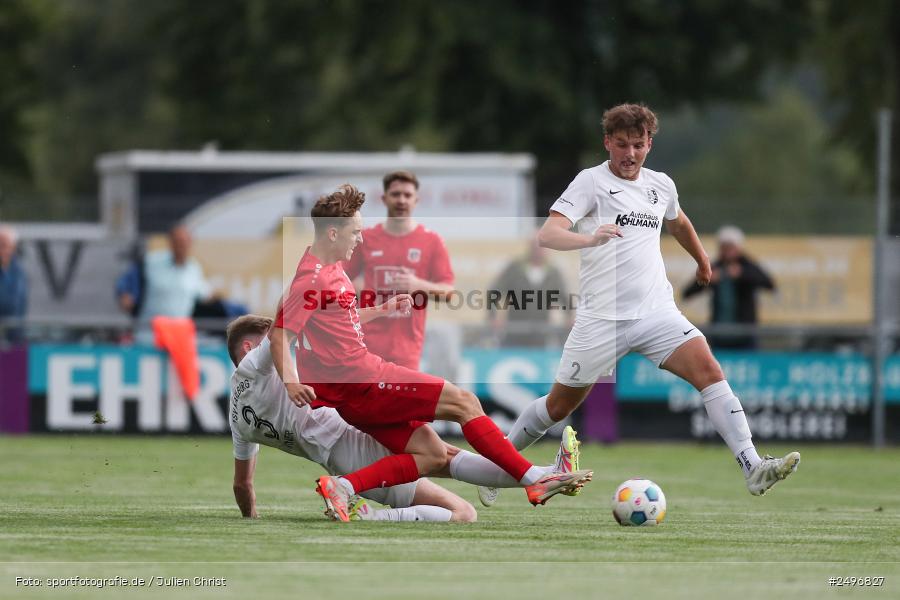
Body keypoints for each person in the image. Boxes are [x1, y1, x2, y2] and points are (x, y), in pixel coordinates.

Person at [493, 104, 799, 505]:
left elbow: (678, 222)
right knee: (557, 406)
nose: (630, 154)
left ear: (650, 144)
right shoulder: (591, 182)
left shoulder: (661, 185)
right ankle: (498, 467)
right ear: (607, 143)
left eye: (638, 145)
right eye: (621, 145)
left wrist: (702, 259)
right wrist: (589, 238)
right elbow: (549, 234)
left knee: (710, 371)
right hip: (601, 320)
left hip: (657, 313)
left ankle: (752, 465)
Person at [270, 184, 592, 522]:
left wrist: (381, 309)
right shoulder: (312, 278)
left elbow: (333, 320)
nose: (360, 240)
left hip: (352, 391)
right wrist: (290, 381)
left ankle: (344, 488)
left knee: (432, 454)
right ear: (333, 232)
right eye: (355, 232)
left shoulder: (332, 271)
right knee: (464, 402)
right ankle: (535, 480)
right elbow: (281, 333)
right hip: (362, 380)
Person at [226, 314, 476, 523]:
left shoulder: (237, 418)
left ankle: (496, 470)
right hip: (353, 442)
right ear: (249, 348)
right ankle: (367, 515)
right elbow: (291, 324)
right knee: (463, 511)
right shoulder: (258, 364)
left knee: (442, 456)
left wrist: (251, 518)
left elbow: (242, 485)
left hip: (341, 458)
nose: (284, 346)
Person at [344, 171, 454, 370]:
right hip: (365, 346)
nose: (401, 200)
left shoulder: (431, 241)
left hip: (407, 351)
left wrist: (418, 285)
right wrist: (356, 287)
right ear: (384, 198)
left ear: (416, 200)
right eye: (395, 194)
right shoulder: (366, 238)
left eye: (407, 195)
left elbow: (449, 292)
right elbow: (337, 282)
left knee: (403, 400)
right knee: (368, 401)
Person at [682, 225, 775, 349]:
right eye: (724, 247)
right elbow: (687, 293)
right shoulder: (713, 267)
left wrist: (742, 274)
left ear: (738, 248)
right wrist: (707, 280)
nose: (727, 251)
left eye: (730, 247)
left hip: (745, 334)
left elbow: (769, 284)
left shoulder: (748, 265)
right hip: (719, 333)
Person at [488, 237, 569, 347]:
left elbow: (564, 297)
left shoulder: (553, 272)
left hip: (542, 332)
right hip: (515, 331)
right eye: (535, 246)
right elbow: (494, 291)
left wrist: (569, 316)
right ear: (530, 247)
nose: (539, 250)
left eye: (542, 247)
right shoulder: (515, 268)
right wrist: (493, 317)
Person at [0, 225, 27, 343]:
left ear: (13, 248)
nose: (2, 250)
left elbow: (16, 305)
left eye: (4, 245)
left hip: (14, 337)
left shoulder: (19, 274)